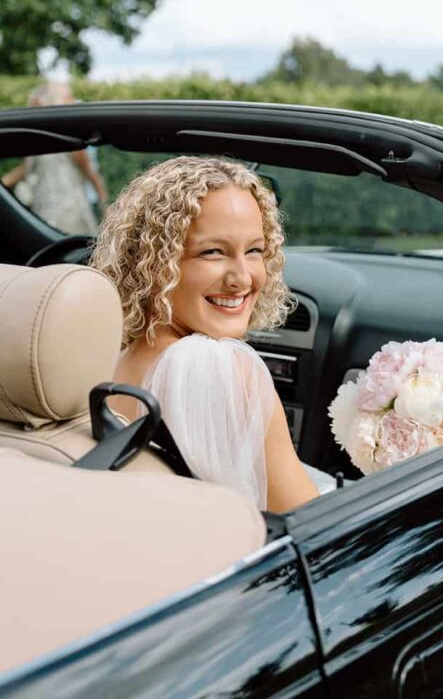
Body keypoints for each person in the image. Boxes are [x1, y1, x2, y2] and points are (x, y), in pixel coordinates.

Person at [90, 156, 321, 512]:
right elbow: (308, 522)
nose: (242, 279)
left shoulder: (111, 357)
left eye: (255, 251)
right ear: (156, 263)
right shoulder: (226, 368)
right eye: (213, 252)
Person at [2, 82, 107, 235]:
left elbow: (89, 172)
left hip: (70, 213)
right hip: (42, 210)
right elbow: (28, 167)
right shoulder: (35, 137)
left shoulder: (70, 138)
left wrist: (104, 204)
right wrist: (3, 182)